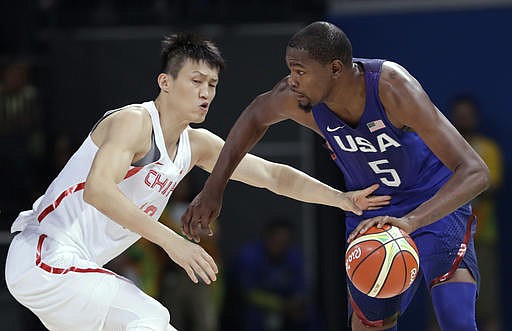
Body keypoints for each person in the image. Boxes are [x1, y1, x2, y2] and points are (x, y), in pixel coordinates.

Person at [4, 31, 389, 331]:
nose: (206, 93)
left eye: (213, 84)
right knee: (151, 319)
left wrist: (342, 199)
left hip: (75, 270)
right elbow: (98, 190)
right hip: (44, 254)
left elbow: (273, 176)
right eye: (196, 81)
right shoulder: (133, 122)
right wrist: (174, 242)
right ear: (165, 82)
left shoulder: (197, 145)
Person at [180, 22, 490, 331]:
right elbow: (255, 116)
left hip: (432, 202)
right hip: (372, 210)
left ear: (335, 69)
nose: (292, 80)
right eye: (290, 69)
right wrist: (213, 187)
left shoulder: (393, 88)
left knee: (456, 318)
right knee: (369, 326)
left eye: (300, 71)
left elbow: (475, 171)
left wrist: (411, 222)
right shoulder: (299, 98)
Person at [449, 95, 503, 331]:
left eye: (467, 114)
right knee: (444, 310)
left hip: (482, 238)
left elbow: (492, 187)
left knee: (488, 308)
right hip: (447, 240)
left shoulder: (488, 148)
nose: (463, 119)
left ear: (475, 117)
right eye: (459, 114)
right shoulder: (442, 147)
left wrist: (456, 194)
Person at [230, 217, 309, 331]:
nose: (281, 246)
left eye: (285, 242)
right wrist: (282, 305)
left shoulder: (294, 257)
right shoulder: (249, 256)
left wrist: (296, 301)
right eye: (277, 241)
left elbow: (301, 287)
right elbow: (248, 293)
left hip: (287, 310)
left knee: (307, 316)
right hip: (256, 310)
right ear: (267, 237)